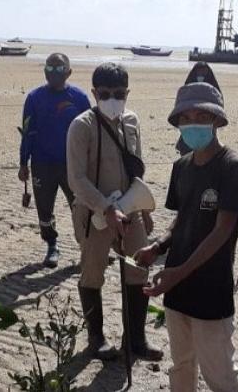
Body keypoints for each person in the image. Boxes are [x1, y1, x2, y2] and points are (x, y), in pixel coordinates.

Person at [135, 82, 238, 392]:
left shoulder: (233, 167)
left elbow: (222, 231)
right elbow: (181, 219)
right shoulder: (182, 166)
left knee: (221, 375)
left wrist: (177, 273)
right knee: (182, 366)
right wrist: (157, 246)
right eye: (185, 118)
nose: (192, 123)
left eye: (202, 115)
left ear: (217, 120)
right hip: (176, 288)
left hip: (210, 289)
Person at [66, 63, 162, 362]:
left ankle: (135, 339)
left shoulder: (131, 121)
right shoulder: (81, 126)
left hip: (131, 210)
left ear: (127, 93)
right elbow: (76, 179)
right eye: (105, 94)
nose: (112, 99)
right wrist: (105, 209)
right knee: (93, 274)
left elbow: (136, 167)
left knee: (139, 271)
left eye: (119, 94)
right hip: (94, 214)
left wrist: (143, 209)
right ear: (94, 93)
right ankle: (96, 339)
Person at [19, 53, 91, 268]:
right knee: (44, 209)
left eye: (59, 69)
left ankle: (87, 247)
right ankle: (52, 244)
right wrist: (23, 163)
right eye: (49, 69)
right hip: (42, 163)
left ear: (69, 72)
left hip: (73, 165)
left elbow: (90, 133)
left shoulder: (79, 98)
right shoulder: (34, 98)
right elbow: (28, 132)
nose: (53, 74)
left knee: (80, 207)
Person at [176, 62, 222, 156]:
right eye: (199, 72)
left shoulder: (214, 90)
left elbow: (219, 106)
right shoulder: (188, 89)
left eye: (203, 72)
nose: (201, 74)